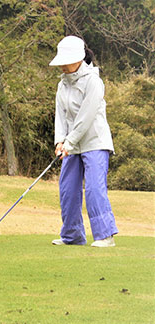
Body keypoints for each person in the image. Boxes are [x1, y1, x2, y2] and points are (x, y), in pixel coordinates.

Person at [49, 36, 118, 247]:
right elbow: (60, 115)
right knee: (68, 189)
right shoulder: (62, 84)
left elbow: (86, 118)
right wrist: (59, 141)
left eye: (66, 60)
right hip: (71, 144)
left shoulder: (94, 82)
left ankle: (104, 235)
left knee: (94, 189)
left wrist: (68, 143)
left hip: (95, 142)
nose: (62, 65)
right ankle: (72, 235)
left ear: (79, 58)